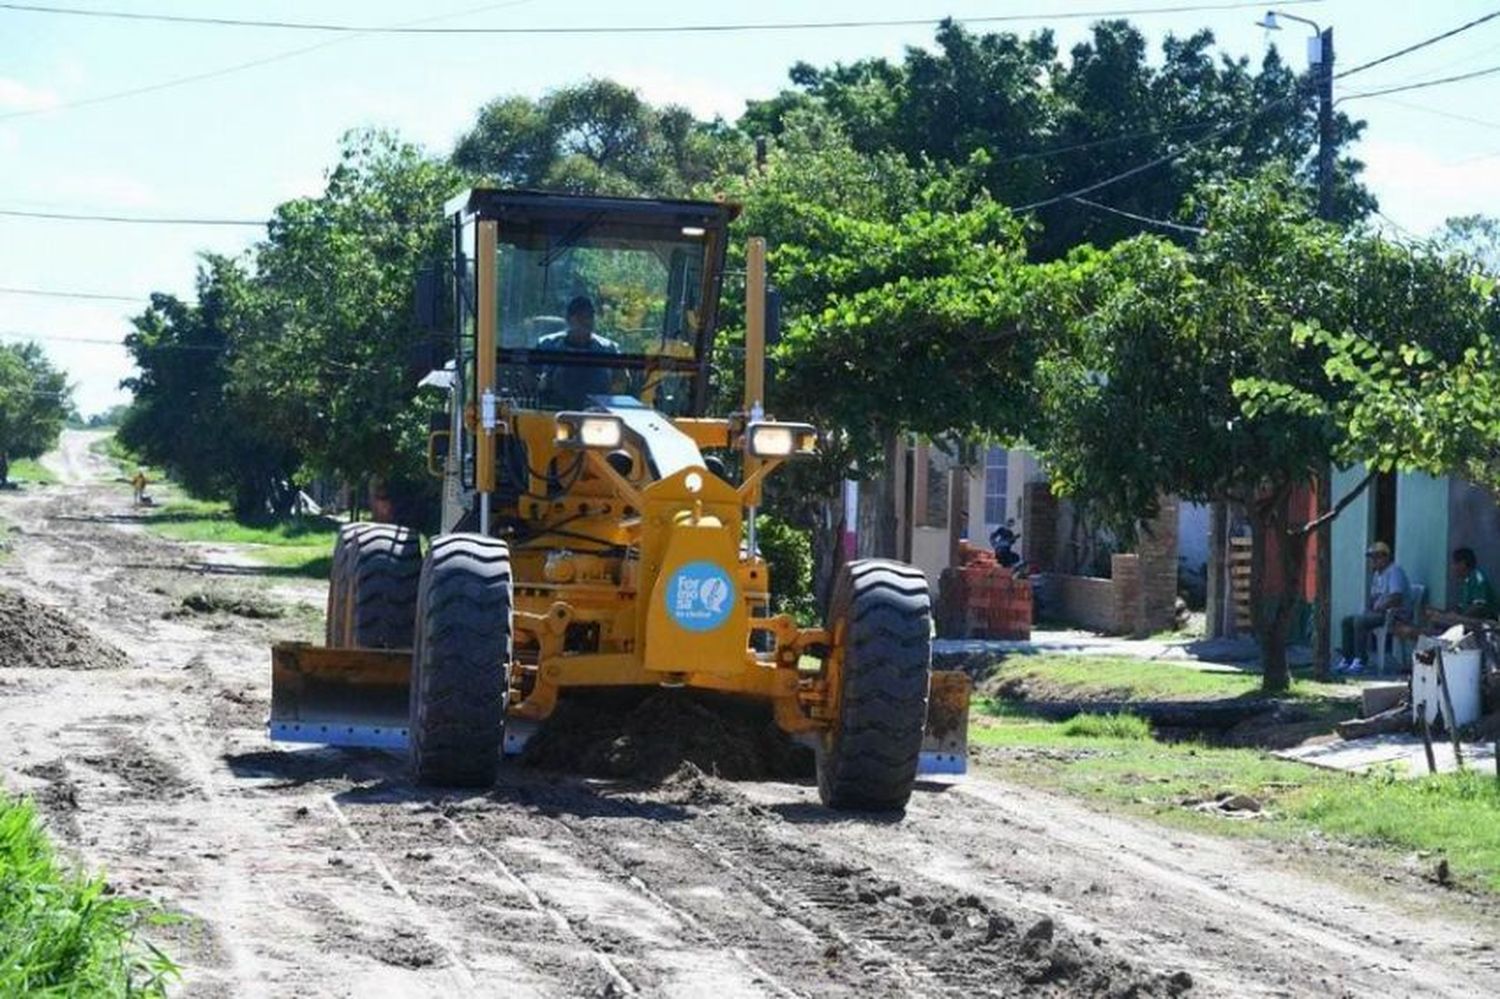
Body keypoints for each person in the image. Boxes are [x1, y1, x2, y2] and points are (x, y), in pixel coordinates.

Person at [1336, 541, 1410, 675]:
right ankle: (1347, 658)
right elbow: (1374, 597)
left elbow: (1396, 597)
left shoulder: (1395, 571)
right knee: (1347, 621)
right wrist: (1370, 607)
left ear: (1386, 557)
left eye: (1377, 557)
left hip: (1394, 614)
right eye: (1372, 557)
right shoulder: (1377, 574)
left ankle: (1360, 660)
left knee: (1360, 621)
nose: (1373, 560)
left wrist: (1379, 606)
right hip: (1380, 613)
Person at [536, 296, 620, 409]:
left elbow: (621, 380)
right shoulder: (547, 345)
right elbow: (528, 373)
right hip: (554, 410)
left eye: (590, 316)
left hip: (597, 416)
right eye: (580, 317)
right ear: (569, 319)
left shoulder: (609, 349)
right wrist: (540, 385)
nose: (586, 321)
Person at [1429, 547, 1497, 627]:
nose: (1452, 567)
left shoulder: (1478, 578)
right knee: (1436, 618)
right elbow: (1461, 607)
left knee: (1443, 621)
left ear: (1463, 564)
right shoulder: (1466, 581)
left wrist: (1459, 617)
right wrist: (1447, 613)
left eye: (1454, 563)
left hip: (1486, 621)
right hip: (1470, 619)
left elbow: (1479, 606)